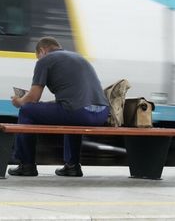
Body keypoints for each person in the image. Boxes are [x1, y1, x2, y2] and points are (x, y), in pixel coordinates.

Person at [9, 36, 110, 177]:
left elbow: (33, 98)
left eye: (37, 57)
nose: (38, 60)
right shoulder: (79, 57)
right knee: (69, 113)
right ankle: (72, 166)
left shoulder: (45, 60)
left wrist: (18, 101)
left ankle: (26, 165)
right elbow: (73, 99)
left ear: (42, 51)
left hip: (79, 112)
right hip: (102, 113)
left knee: (27, 111)